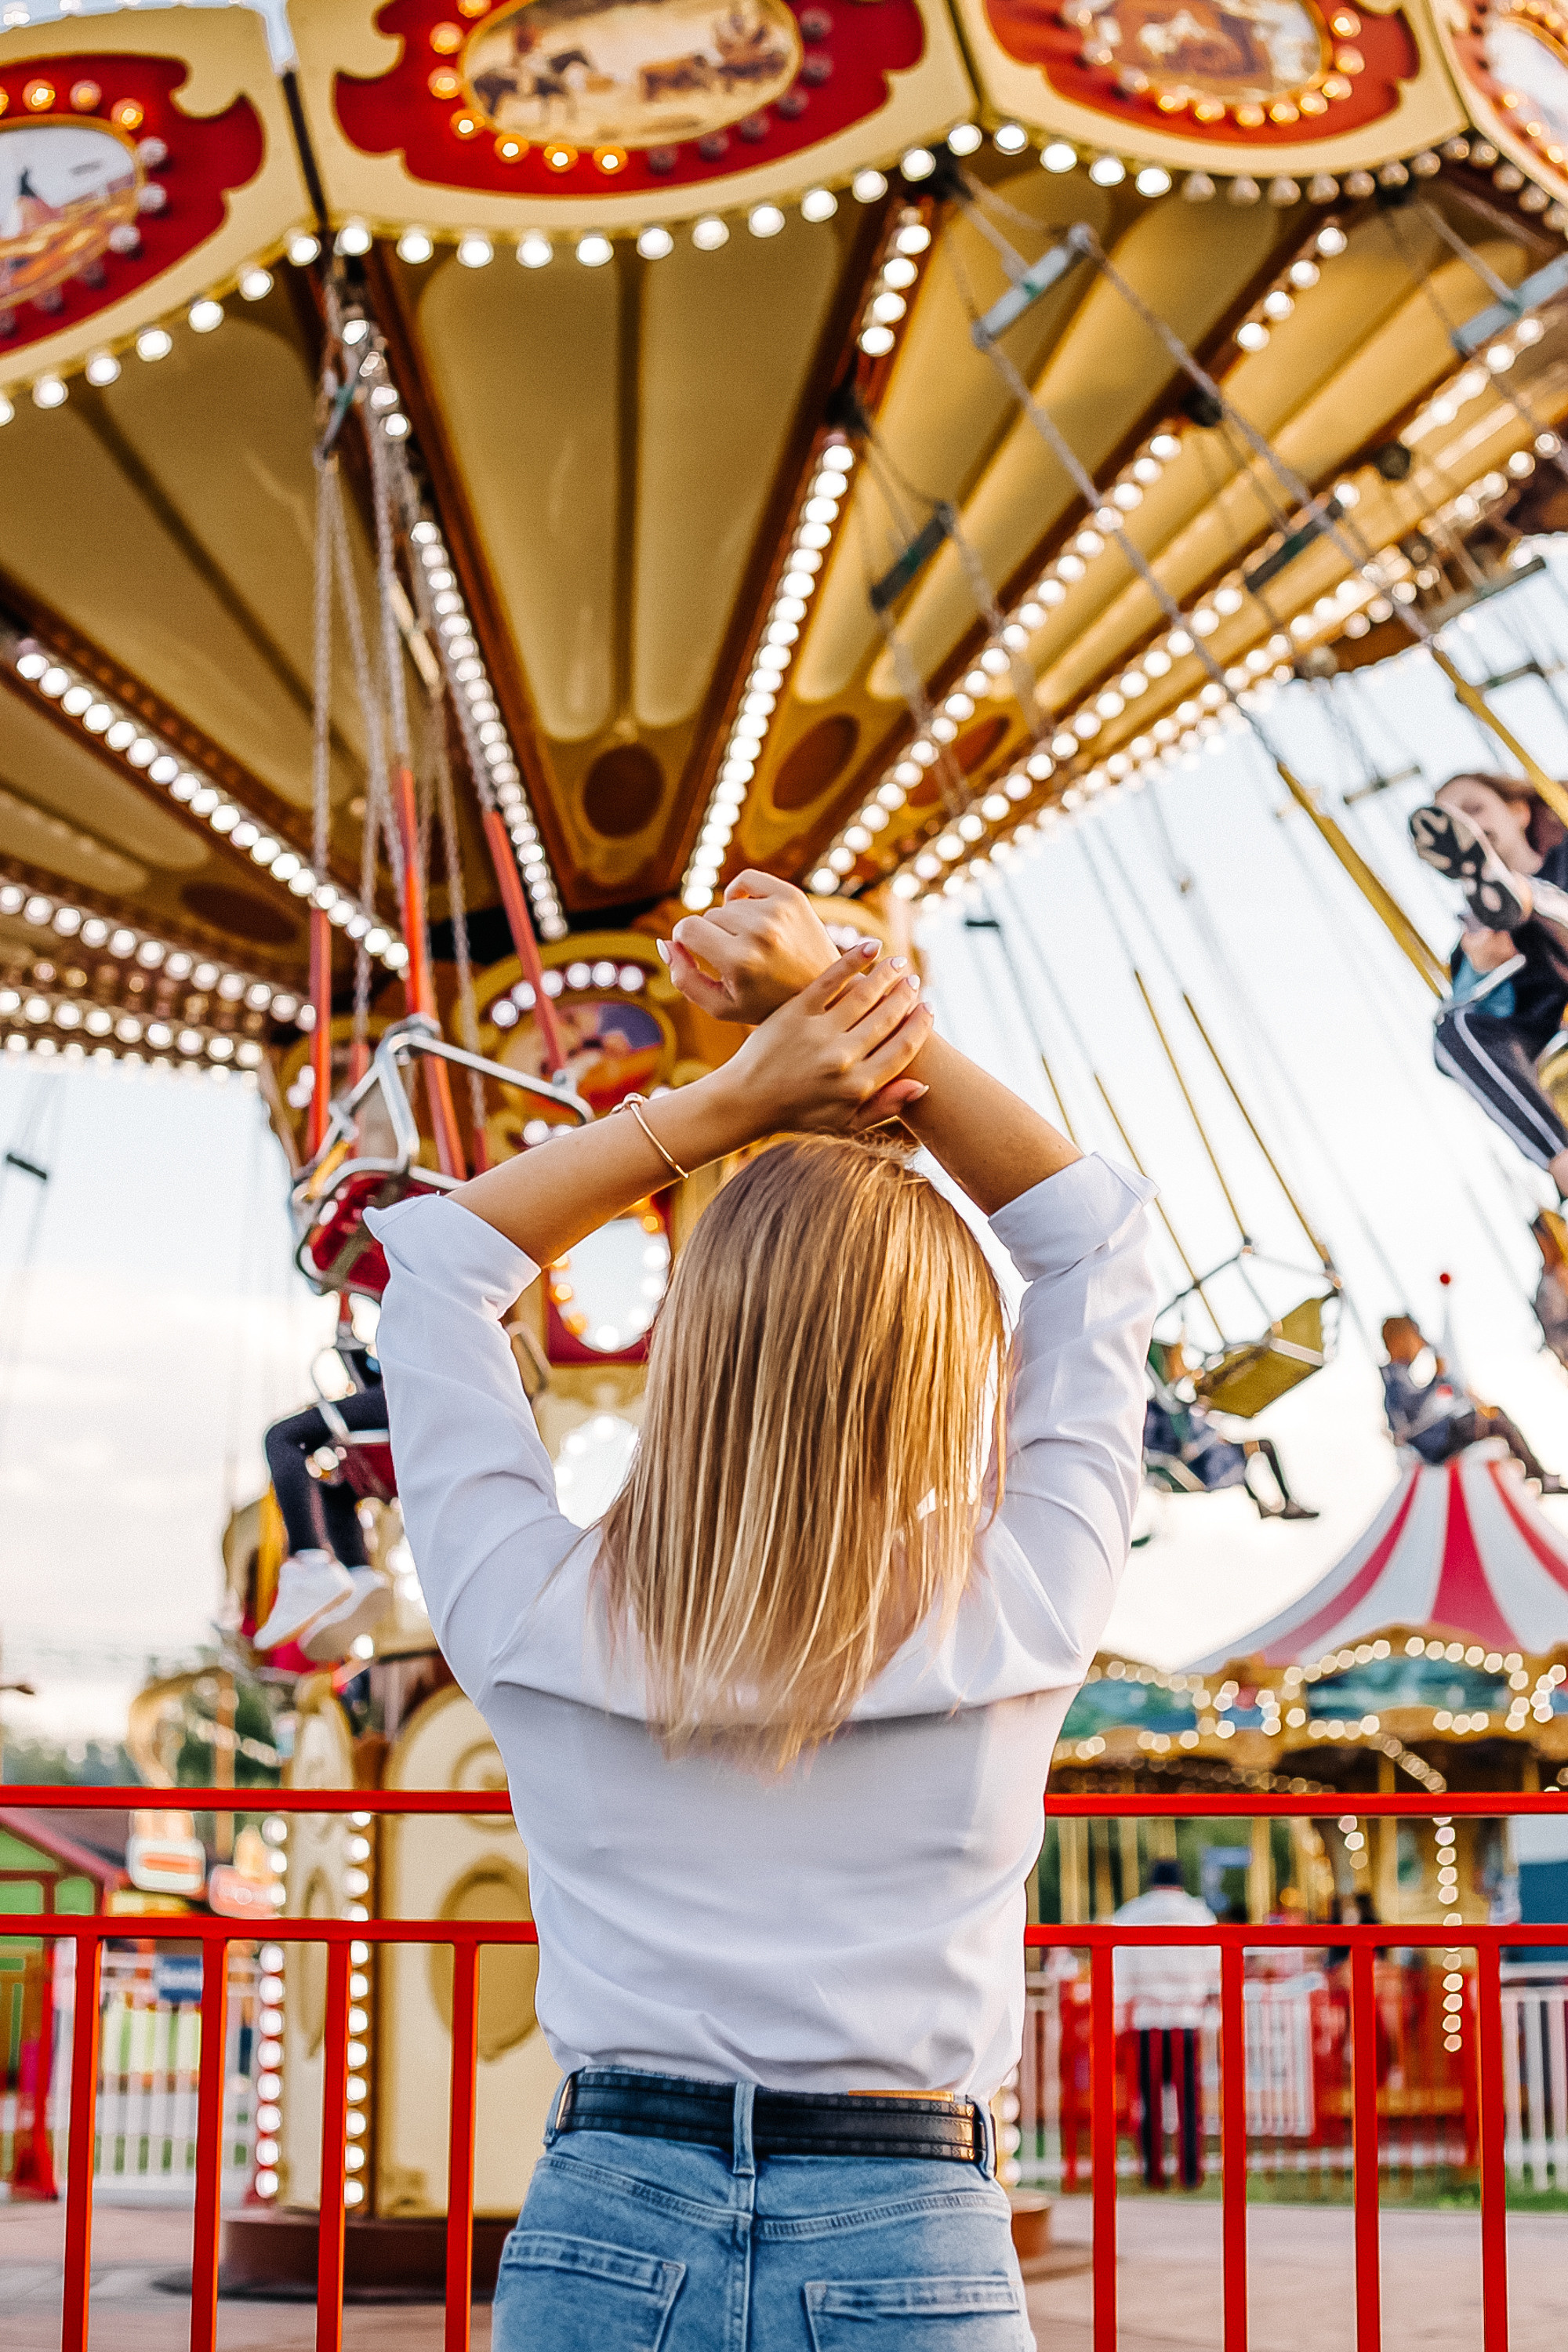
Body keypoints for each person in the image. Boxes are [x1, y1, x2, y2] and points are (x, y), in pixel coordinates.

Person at [368, 871, 1157, 2350]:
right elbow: (1092, 1243)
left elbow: (433, 1268)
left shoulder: (529, 1611)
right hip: (913, 2228)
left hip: (611, 2220)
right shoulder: (1024, 1607)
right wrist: (859, 1013)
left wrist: (728, 1104)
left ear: (697, 1342)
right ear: (949, 1375)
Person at [1412, 773, 1568, 1192]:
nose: (1469, 824)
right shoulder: (1471, 944)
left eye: (1475, 809)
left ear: (1518, 812)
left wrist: (1530, 900)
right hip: (1549, 1026)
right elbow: (1484, 1030)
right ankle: (1561, 1157)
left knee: (1545, 903)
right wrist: (1485, 970)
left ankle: (1521, 895)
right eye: (1455, 821)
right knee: (1454, 1029)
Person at [255, 1325, 394, 1661]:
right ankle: (358, 1574)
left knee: (283, 1439)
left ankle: (310, 1561)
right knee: (334, 1489)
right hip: (416, 1399)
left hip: (406, 1397)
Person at [1112, 1859, 1219, 2191]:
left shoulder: (1130, 1916)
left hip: (1146, 2020)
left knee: (1148, 2102)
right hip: (1186, 2018)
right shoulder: (1200, 1916)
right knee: (1189, 2103)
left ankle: (1152, 2171)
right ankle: (1190, 2172)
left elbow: (1120, 1973)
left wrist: (1120, 2016)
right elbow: (1215, 1971)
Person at [1379, 1313, 1564, 1490]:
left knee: (1492, 1416)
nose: (1418, 1347)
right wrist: (1437, 1379)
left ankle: (1531, 1470)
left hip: (1437, 1436)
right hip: (1438, 1442)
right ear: (1401, 1340)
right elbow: (1413, 1408)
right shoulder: (1396, 1377)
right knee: (1495, 1417)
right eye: (1414, 1339)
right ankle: (1536, 1473)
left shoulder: (1395, 1375)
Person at [1143, 1356, 1317, 1520]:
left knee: (1257, 1450)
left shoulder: (1174, 1408)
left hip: (1208, 1453)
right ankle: (1277, 1504)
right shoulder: (1159, 1418)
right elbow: (1189, 1450)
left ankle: (1278, 1503)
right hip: (1203, 1464)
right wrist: (1211, 1435)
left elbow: (1191, 1430)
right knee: (1256, 1452)